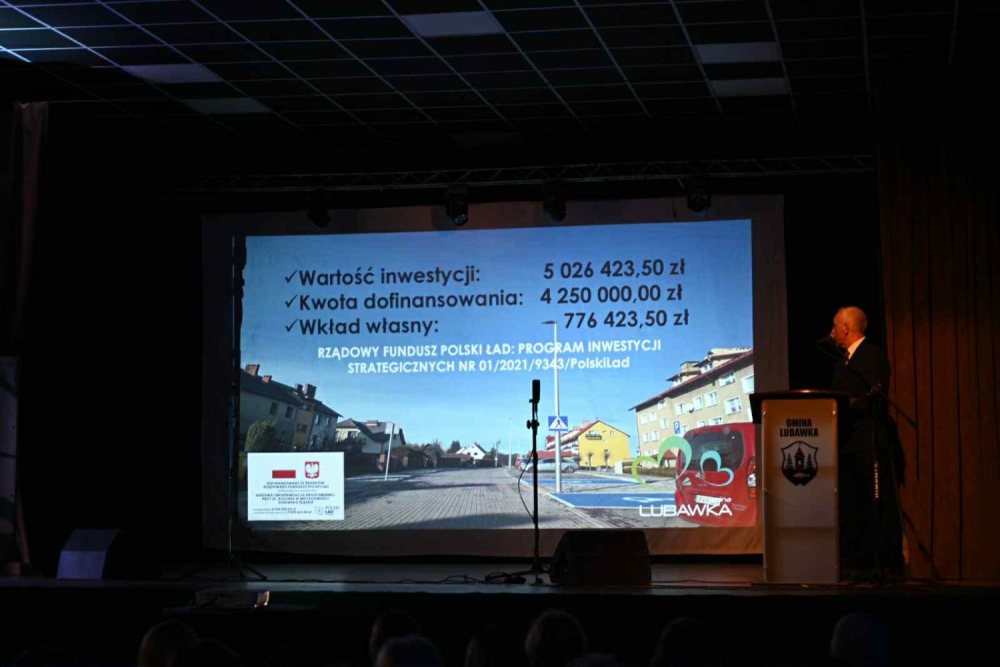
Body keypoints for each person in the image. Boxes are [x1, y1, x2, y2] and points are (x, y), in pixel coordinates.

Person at [829, 306, 903, 578]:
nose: (831, 332)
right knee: (854, 506)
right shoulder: (841, 361)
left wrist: (849, 404)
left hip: (870, 442)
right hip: (847, 443)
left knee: (878, 504)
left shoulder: (872, 355)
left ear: (846, 328)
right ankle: (859, 563)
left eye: (835, 326)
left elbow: (875, 395)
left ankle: (888, 564)